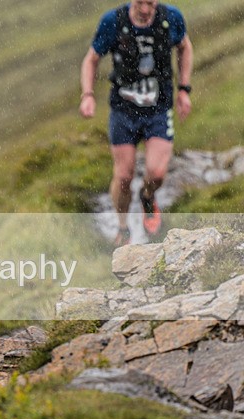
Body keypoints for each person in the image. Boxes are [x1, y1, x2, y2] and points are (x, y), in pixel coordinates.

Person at [80, 0, 193, 246]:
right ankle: (123, 227)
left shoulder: (171, 18)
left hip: (158, 109)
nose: (145, 9)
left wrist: (184, 89)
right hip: (124, 111)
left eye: (150, 3)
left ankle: (147, 197)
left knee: (157, 173)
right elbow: (91, 59)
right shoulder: (113, 22)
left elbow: (184, 47)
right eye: (140, 2)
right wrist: (87, 94)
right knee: (123, 176)